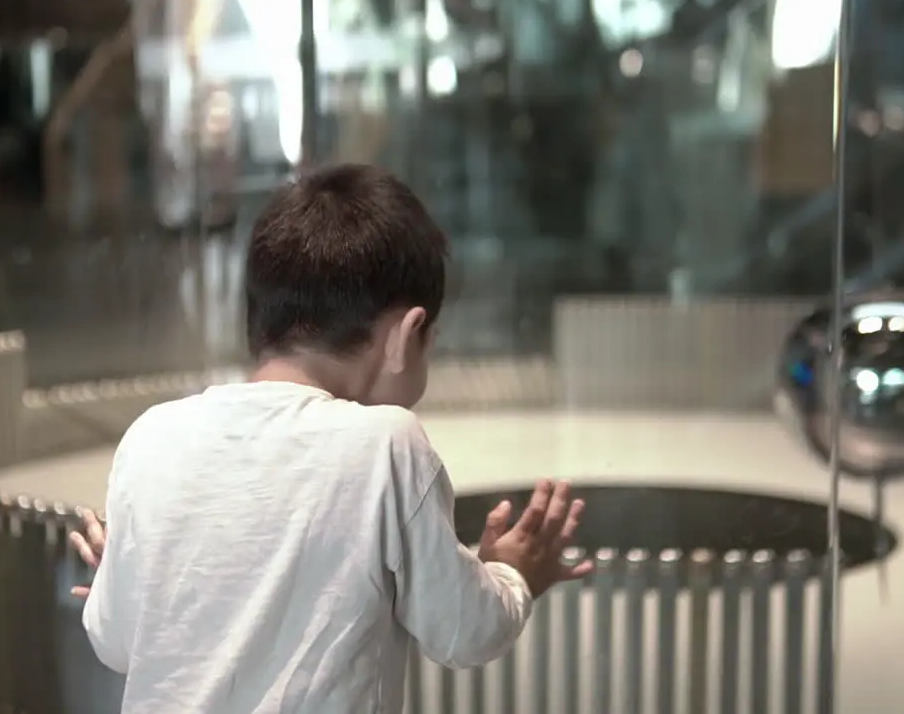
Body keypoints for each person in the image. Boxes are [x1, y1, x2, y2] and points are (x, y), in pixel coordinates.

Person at [67, 164, 592, 713]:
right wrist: (513, 573)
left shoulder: (153, 437)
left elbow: (115, 641)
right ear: (406, 334)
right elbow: (464, 631)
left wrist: (124, 572)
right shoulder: (386, 448)